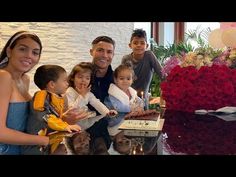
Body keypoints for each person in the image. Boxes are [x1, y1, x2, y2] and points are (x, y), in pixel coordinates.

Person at [0, 31, 49, 155]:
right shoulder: (3, 77)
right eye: (22, 49)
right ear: (9, 51)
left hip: (21, 150)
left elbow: (28, 119)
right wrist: (42, 140)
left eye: (35, 53)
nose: (29, 56)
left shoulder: (24, 79)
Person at [23, 64, 81, 154]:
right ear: (52, 84)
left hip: (45, 142)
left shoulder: (56, 98)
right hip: (35, 145)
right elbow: (44, 116)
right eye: (65, 80)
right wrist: (66, 126)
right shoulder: (41, 95)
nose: (67, 83)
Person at [65, 62, 117, 130]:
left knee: (98, 121)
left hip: (86, 121)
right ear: (73, 78)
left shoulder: (88, 93)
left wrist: (107, 112)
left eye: (87, 78)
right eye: (80, 77)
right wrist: (82, 95)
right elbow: (72, 110)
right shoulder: (69, 91)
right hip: (74, 123)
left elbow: (97, 103)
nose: (83, 80)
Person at [121, 29, 162, 109]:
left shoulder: (149, 56)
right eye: (135, 43)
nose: (139, 45)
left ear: (147, 46)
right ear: (130, 45)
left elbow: (162, 74)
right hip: (128, 99)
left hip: (144, 99)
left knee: (144, 119)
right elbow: (122, 79)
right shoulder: (126, 59)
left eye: (142, 43)